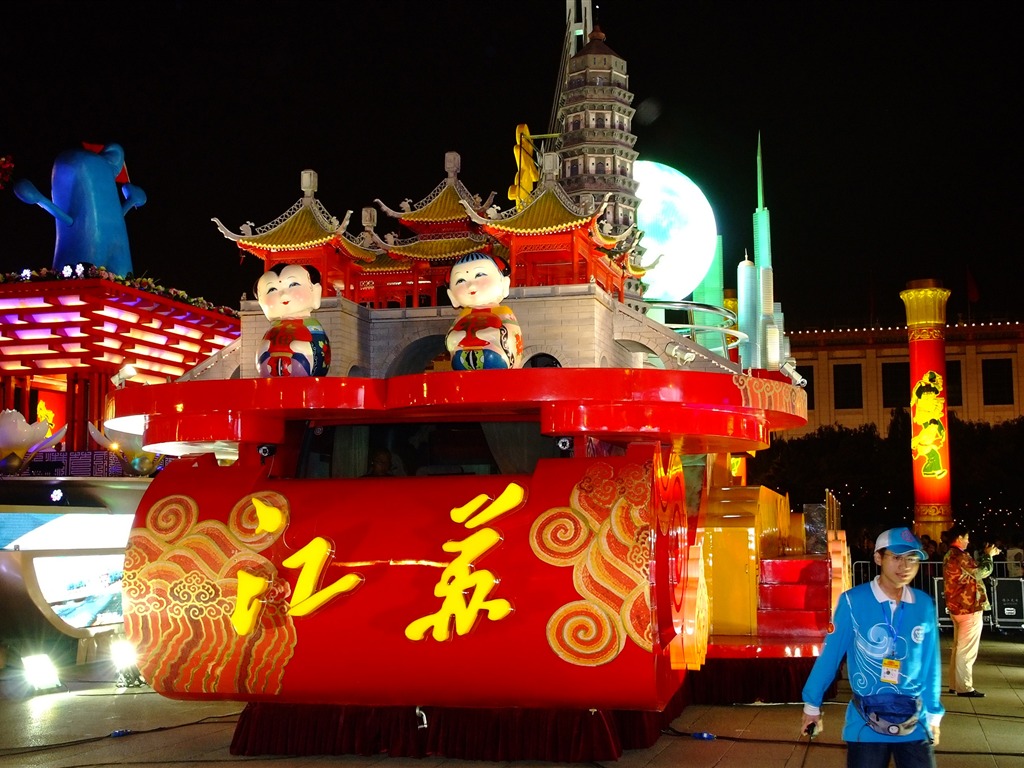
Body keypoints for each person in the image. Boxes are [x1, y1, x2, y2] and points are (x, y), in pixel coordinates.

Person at [801, 527, 943, 768]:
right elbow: (830, 655)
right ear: (878, 558)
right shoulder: (852, 601)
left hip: (914, 721)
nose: (905, 566)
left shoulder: (924, 604)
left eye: (912, 559)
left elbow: (931, 663)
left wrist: (933, 714)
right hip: (866, 721)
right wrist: (812, 704)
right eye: (896, 558)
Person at [942, 523, 998, 697]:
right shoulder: (960, 555)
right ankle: (964, 687)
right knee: (966, 650)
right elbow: (981, 572)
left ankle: (955, 683)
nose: (968, 541)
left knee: (959, 647)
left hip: (956, 607)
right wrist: (988, 556)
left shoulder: (949, 555)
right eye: (966, 538)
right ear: (959, 538)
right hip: (969, 608)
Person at [445, 252, 523, 370]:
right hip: (462, 356)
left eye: (480, 275)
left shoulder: (502, 311)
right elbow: (449, 339)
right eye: (460, 281)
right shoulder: (464, 314)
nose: (471, 286)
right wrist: (455, 337)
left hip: (494, 355)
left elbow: (512, 334)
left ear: (504, 284)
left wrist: (492, 334)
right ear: (452, 296)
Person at [255, 263, 331, 377]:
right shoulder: (274, 327)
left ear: (315, 291)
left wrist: (302, 347)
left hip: (301, 365)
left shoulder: (311, 325)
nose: (283, 295)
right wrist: (264, 348)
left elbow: (320, 347)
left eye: (293, 284)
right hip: (271, 367)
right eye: (272, 289)